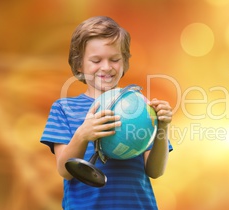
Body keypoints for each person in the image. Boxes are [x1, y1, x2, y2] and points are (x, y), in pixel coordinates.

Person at [40, 16, 173, 210]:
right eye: (96, 60)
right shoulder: (63, 108)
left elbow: (155, 171)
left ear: (125, 62)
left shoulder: (141, 108)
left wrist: (162, 127)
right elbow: (64, 170)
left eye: (115, 59)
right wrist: (83, 134)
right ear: (79, 65)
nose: (106, 67)